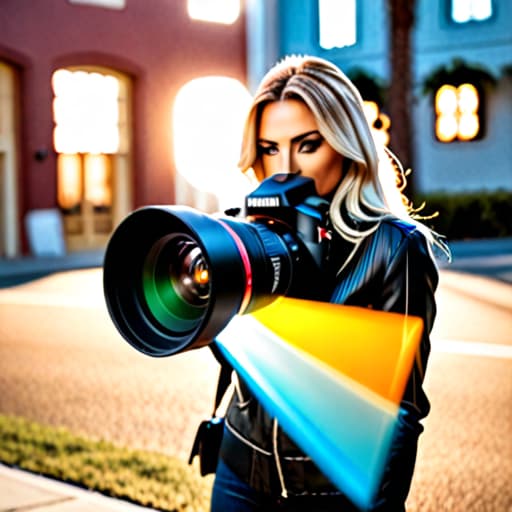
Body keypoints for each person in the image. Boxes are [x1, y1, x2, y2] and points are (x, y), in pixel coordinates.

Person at [209, 55, 449, 512]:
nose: (286, 168)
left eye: (307, 145)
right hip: (239, 469)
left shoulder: (393, 248)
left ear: (344, 145)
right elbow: (232, 356)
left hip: (328, 493)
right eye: (269, 148)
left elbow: (398, 414)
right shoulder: (245, 240)